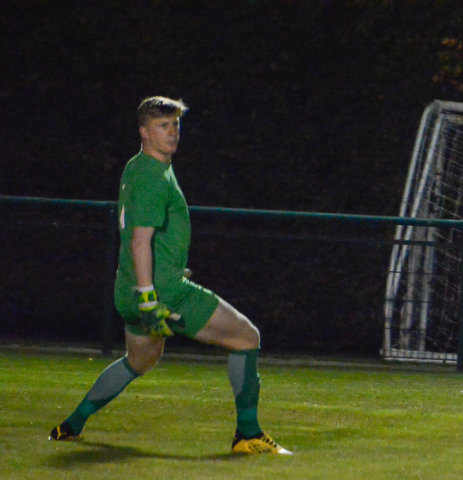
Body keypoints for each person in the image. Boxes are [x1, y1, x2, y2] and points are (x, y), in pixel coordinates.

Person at [49, 96, 291, 455]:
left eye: (176, 124)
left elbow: (147, 240)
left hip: (128, 291)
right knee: (246, 338)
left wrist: (147, 285)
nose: (173, 132)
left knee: (139, 360)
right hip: (162, 293)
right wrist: (150, 296)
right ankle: (249, 435)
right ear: (144, 132)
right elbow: (139, 240)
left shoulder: (137, 166)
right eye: (163, 125)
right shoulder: (153, 177)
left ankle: (70, 425)